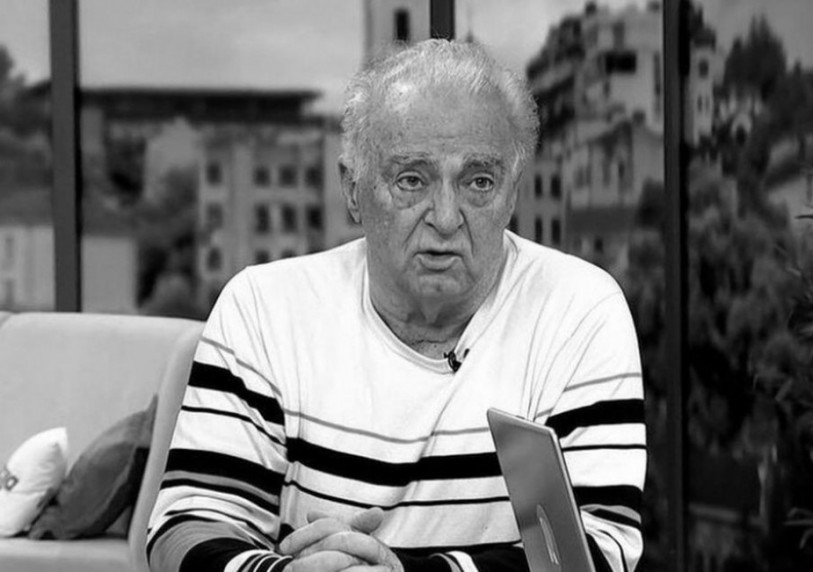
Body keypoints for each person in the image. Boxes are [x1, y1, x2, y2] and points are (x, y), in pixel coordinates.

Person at [147, 39, 645, 572]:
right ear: (353, 190)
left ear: (513, 194)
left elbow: (599, 549)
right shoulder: (264, 308)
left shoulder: (579, 310)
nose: (446, 217)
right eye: (412, 180)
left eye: (479, 181)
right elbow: (184, 526)